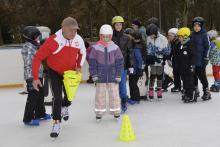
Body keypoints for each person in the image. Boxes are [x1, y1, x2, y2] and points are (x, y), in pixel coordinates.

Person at [32, 17, 86, 138]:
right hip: (54, 71)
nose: (74, 32)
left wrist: (79, 65)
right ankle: (56, 122)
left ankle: (65, 106)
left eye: (75, 30)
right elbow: (37, 57)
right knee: (57, 96)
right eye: (71, 30)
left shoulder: (78, 39)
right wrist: (35, 77)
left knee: (69, 96)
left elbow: (83, 52)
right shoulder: (54, 41)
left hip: (70, 72)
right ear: (63, 28)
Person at [88, 24, 124, 122]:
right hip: (100, 77)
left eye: (108, 36)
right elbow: (92, 62)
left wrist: (118, 75)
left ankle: (116, 112)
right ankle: (99, 113)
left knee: (114, 95)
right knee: (100, 96)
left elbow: (119, 62)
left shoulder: (115, 47)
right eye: (103, 36)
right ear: (100, 36)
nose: (105, 38)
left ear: (111, 36)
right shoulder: (96, 48)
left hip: (113, 77)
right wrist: (94, 75)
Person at [21, 26, 51, 126]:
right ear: (31, 37)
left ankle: (40, 114)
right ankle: (28, 119)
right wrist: (31, 79)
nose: (38, 39)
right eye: (36, 37)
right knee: (33, 97)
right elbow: (29, 63)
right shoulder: (28, 47)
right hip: (32, 77)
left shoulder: (33, 45)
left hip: (38, 75)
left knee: (40, 96)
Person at [112, 16, 134, 112]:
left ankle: (123, 101)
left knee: (122, 86)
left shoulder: (126, 38)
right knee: (113, 86)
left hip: (122, 65)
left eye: (120, 24)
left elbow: (130, 52)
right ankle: (115, 102)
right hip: (111, 66)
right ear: (113, 26)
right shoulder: (110, 37)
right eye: (116, 24)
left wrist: (131, 65)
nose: (118, 26)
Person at [146, 23, 170, 101]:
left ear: (155, 33)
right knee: (153, 75)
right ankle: (151, 91)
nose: (150, 36)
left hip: (160, 61)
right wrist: (150, 57)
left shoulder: (163, 38)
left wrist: (164, 58)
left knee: (159, 75)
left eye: (151, 34)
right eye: (149, 35)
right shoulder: (148, 38)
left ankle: (159, 91)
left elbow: (167, 50)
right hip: (153, 61)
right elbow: (148, 49)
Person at [191, 17, 211, 101]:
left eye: (198, 26)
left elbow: (208, 46)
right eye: (195, 25)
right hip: (193, 60)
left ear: (201, 26)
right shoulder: (191, 34)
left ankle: (206, 91)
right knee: (193, 76)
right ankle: (195, 89)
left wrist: (206, 57)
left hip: (201, 59)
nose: (196, 27)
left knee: (202, 76)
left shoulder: (204, 34)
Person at [177, 27, 197, 103]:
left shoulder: (190, 44)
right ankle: (186, 93)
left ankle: (190, 95)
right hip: (183, 67)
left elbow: (193, 55)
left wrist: (192, 65)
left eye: (180, 37)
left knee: (189, 81)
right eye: (178, 37)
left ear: (185, 36)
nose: (179, 38)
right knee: (184, 80)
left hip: (189, 67)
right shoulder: (181, 44)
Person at [128, 31, 146, 103]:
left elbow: (139, 59)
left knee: (133, 83)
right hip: (133, 68)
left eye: (137, 39)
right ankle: (133, 97)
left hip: (136, 69)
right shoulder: (135, 45)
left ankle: (135, 98)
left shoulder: (137, 47)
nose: (136, 40)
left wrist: (139, 69)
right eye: (135, 39)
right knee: (131, 83)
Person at [167, 28, 182, 92]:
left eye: (171, 35)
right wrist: (168, 59)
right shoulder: (172, 42)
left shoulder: (179, 43)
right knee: (175, 74)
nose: (169, 37)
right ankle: (177, 86)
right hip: (175, 61)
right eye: (169, 35)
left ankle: (184, 87)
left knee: (182, 74)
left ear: (176, 36)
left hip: (181, 61)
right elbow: (171, 52)